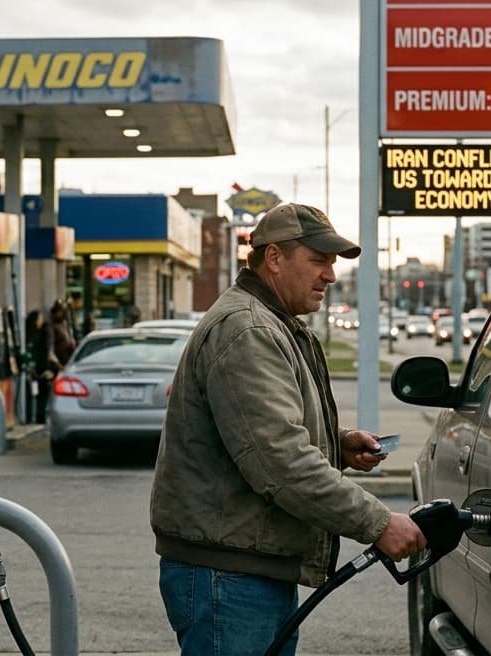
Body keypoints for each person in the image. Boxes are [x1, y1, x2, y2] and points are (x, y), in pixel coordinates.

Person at [149, 203, 426, 655]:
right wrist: (378, 523)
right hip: (230, 576)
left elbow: (256, 433)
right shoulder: (249, 329)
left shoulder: (273, 324)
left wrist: (335, 445)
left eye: (332, 264)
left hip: (246, 568)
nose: (330, 276)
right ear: (274, 258)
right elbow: (281, 461)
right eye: (319, 261)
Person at [25, 308, 59, 424]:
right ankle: (39, 417)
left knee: (40, 395)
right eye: (39, 318)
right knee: (42, 396)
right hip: (42, 370)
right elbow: (48, 354)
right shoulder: (42, 335)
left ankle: (36, 416)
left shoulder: (34, 335)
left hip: (38, 370)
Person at [49, 300, 77, 367]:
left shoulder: (65, 323)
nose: (60, 314)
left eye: (62, 311)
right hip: (61, 356)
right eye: (58, 311)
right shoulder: (53, 326)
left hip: (70, 354)